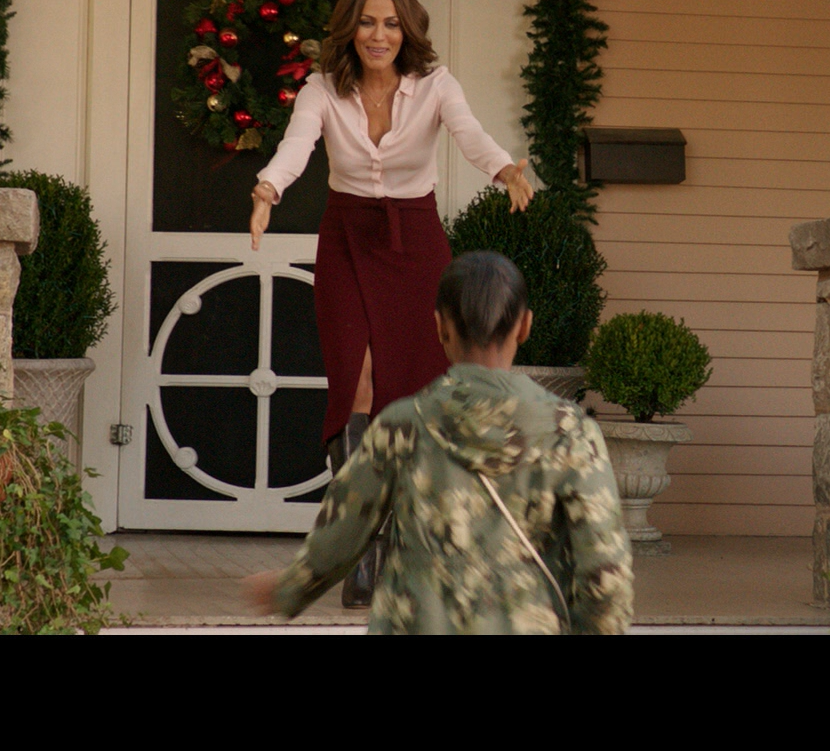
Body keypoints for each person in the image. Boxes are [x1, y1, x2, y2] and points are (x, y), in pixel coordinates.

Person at [250, 0, 533, 608]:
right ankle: (360, 548)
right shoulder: (322, 90)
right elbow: (297, 147)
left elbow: (469, 133)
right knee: (357, 381)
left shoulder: (436, 85)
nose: (379, 35)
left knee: (412, 390)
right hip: (347, 239)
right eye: (368, 22)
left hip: (417, 244)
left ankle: (403, 540)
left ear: (407, 31)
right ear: (350, 28)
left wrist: (504, 169)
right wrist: (268, 188)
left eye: (391, 23)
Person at [241, 251, 633, 634]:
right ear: (525, 326)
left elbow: (343, 535)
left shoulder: (402, 426)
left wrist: (287, 590)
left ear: (441, 327)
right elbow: (606, 572)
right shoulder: (571, 433)